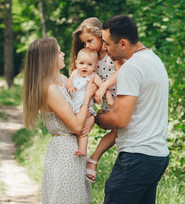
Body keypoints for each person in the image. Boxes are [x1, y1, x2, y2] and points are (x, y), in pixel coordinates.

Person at [94, 15, 170, 204]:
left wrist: (99, 118)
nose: (104, 48)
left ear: (122, 43)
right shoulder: (155, 61)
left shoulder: (132, 67)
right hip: (157, 156)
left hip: (137, 157)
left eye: (107, 43)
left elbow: (120, 120)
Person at [22, 37, 96, 204]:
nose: (63, 54)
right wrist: (88, 96)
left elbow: (80, 113)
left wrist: (93, 118)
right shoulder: (50, 90)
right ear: (49, 58)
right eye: (58, 51)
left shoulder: (63, 80)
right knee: (65, 198)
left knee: (76, 197)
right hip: (64, 152)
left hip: (74, 149)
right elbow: (77, 126)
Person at [70, 17, 123, 183]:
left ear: (101, 36)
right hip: (104, 101)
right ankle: (83, 158)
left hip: (120, 95)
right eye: (84, 43)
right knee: (113, 131)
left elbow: (122, 71)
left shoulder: (111, 52)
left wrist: (103, 87)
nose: (86, 45)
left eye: (89, 41)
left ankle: (93, 159)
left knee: (118, 132)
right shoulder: (88, 58)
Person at [66, 48, 114, 157]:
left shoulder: (93, 77)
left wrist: (109, 98)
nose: (84, 67)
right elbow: (68, 82)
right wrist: (70, 86)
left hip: (86, 110)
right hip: (73, 108)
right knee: (74, 130)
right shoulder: (74, 73)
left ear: (95, 66)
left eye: (89, 64)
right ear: (76, 63)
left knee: (83, 132)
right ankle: (73, 149)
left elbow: (103, 87)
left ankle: (82, 149)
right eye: (81, 63)